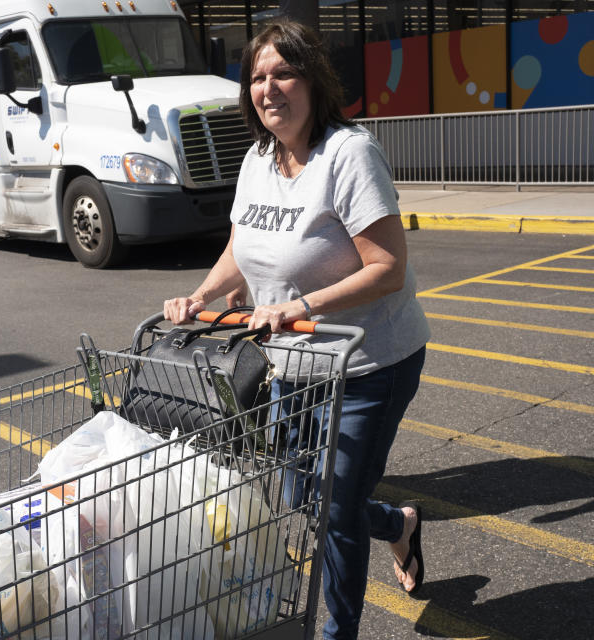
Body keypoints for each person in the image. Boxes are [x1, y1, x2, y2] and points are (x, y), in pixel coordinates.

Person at [162, 18, 431, 640]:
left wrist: (297, 304)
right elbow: (242, 246)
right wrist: (202, 293)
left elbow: (387, 269)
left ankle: (337, 631)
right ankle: (396, 524)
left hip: (369, 366)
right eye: (257, 77)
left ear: (313, 78)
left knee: (334, 510)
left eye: (283, 72)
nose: (269, 87)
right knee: (300, 493)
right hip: (291, 362)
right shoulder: (259, 158)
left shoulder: (349, 155)